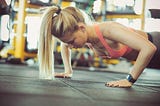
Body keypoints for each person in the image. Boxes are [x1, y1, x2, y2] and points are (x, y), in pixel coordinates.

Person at [38, 5, 160, 88]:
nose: (69, 45)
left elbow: (149, 48)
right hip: (153, 61)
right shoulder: (84, 35)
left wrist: (129, 80)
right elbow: (64, 45)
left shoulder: (108, 30)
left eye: (71, 41)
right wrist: (68, 71)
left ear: (81, 28)